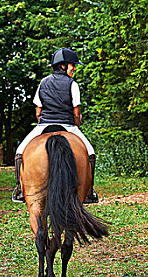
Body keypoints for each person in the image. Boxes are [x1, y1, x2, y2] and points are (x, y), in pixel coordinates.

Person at [11, 48, 98, 204]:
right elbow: (76, 114)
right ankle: (89, 192)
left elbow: (38, 112)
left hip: (43, 125)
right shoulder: (73, 84)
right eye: (73, 65)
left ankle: (20, 190)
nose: (75, 68)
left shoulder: (43, 83)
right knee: (90, 153)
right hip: (68, 126)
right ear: (63, 65)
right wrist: (76, 124)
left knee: (20, 152)